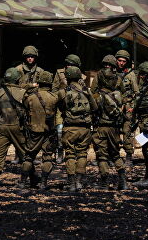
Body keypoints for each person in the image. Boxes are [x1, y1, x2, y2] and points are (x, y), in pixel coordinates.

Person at [59, 66, 99, 192]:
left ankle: (71, 183)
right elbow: (95, 108)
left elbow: (61, 108)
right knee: (82, 153)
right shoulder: (87, 90)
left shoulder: (63, 92)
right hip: (85, 128)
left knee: (70, 154)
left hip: (70, 127)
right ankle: (79, 182)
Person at [91, 55, 127, 190]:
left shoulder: (98, 82)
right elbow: (124, 98)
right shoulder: (118, 82)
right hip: (114, 126)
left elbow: (92, 98)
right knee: (115, 153)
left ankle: (104, 182)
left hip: (101, 125)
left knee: (102, 155)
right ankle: (123, 180)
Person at [20, 71, 59, 189]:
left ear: (39, 82)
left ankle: (22, 183)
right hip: (49, 132)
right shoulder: (54, 97)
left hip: (34, 131)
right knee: (47, 157)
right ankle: (43, 183)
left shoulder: (31, 97)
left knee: (29, 157)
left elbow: (25, 108)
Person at [0, 67, 27, 187]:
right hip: (18, 127)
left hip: (2, 126)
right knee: (25, 154)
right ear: (17, 79)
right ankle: (27, 178)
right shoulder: (22, 93)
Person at [116, 50, 140, 166]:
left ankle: (129, 156)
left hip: (127, 107)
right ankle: (114, 156)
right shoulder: (111, 73)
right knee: (113, 131)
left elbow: (136, 93)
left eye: (124, 61)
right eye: (119, 60)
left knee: (127, 131)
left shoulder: (131, 75)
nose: (121, 63)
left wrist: (133, 107)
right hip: (114, 107)